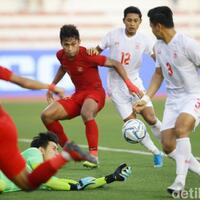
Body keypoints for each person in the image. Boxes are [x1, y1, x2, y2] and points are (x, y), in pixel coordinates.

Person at [40, 24, 141, 169]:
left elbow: (116, 64)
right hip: (78, 95)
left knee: (86, 113)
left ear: (79, 42)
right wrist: (52, 85)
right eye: (66, 45)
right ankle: (69, 149)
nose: (69, 48)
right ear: (61, 44)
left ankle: (93, 155)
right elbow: (63, 67)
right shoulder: (60, 55)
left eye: (73, 44)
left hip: (95, 93)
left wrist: (129, 84)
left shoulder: (88, 54)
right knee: (46, 115)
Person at [134, 6, 200, 194]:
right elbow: (158, 74)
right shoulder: (159, 47)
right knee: (168, 145)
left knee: (181, 129)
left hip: (193, 95)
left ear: (159, 26)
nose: (151, 30)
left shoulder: (188, 44)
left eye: (151, 26)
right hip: (173, 100)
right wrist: (146, 98)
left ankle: (179, 182)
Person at [87, 6, 163, 168]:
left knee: (150, 118)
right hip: (116, 88)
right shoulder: (113, 35)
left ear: (140, 22)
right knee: (132, 125)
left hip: (135, 83)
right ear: (124, 21)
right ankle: (156, 152)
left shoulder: (145, 40)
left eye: (135, 21)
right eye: (129, 20)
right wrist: (92, 51)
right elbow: (97, 51)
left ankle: (169, 143)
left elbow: (157, 58)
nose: (132, 23)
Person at [0, 66, 96, 192]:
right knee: (27, 183)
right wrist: (52, 87)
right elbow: (24, 82)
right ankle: (66, 155)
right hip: (5, 125)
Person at [0, 132, 132, 193]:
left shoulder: (40, 177)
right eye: (53, 149)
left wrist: (110, 178)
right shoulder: (34, 151)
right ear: (41, 149)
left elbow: (78, 184)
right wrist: (76, 187)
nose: (56, 153)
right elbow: (52, 182)